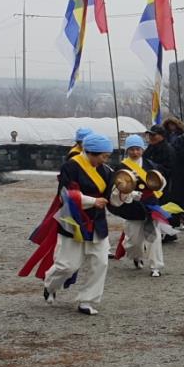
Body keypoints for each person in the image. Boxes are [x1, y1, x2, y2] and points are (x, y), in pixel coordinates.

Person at [39, 133, 116, 315]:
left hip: (97, 222)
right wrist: (91, 201)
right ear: (92, 153)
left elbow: (111, 197)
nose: (105, 160)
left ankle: (87, 300)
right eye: (103, 156)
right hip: (73, 221)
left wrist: (124, 195)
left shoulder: (106, 171)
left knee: (101, 262)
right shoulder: (71, 167)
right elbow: (65, 195)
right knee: (68, 265)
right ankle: (50, 285)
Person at [109, 135, 167, 278]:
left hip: (151, 205)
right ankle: (136, 256)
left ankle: (156, 266)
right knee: (134, 241)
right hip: (132, 207)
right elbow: (115, 189)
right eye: (132, 149)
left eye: (138, 149)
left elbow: (161, 182)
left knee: (154, 237)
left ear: (143, 149)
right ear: (127, 150)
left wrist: (158, 185)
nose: (135, 152)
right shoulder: (121, 167)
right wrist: (130, 193)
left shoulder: (151, 165)